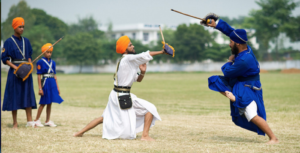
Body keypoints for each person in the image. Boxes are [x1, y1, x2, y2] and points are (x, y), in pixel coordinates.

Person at [74, 35, 172, 141]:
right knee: (149, 109)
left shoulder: (127, 62)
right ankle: (145, 136)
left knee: (104, 117)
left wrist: (142, 72)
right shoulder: (128, 59)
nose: (133, 46)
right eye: (130, 45)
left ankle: (79, 133)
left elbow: (137, 80)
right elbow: (144, 55)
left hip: (118, 94)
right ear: (125, 49)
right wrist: (162, 52)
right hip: (120, 95)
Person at [202, 14, 279, 144]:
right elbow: (232, 32)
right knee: (215, 80)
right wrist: (216, 24)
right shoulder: (245, 48)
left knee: (251, 115)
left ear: (237, 43)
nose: (229, 43)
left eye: (231, 42)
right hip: (240, 83)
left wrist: (229, 61)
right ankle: (232, 96)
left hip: (248, 87)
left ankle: (274, 138)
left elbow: (228, 73)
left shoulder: (244, 60)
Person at [1, 17, 37, 128]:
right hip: (15, 72)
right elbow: (4, 58)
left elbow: (29, 56)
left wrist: (30, 65)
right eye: (19, 27)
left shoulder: (26, 41)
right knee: (14, 96)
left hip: (26, 71)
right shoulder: (8, 42)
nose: (22, 29)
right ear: (14, 27)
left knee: (28, 95)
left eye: (23, 27)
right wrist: (15, 68)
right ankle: (15, 122)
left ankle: (30, 121)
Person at [34, 43, 64, 127]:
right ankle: (36, 120)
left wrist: (57, 87)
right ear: (43, 52)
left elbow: (54, 75)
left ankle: (47, 120)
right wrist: (40, 88)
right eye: (47, 52)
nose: (49, 54)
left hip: (52, 83)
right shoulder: (40, 62)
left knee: (50, 102)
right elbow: (39, 76)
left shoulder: (53, 62)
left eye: (50, 52)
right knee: (43, 102)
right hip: (45, 82)